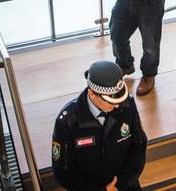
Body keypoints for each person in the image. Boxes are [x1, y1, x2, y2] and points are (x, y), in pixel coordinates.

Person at [52, 60, 147, 191]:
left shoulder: (127, 104)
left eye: (119, 99)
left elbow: (139, 146)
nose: (117, 105)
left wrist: (120, 185)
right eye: (110, 101)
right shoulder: (67, 122)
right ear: (92, 94)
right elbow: (63, 171)